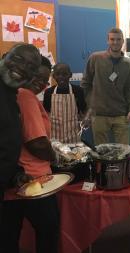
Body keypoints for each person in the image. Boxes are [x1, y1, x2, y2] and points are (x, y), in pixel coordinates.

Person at [1, 56, 59, 253]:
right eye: (37, 77)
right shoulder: (25, 96)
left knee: (10, 235)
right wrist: (56, 156)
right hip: (34, 178)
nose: (41, 84)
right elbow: (37, 142)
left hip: (13, 177)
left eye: (45, 80)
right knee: (48, 230)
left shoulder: (13, 94)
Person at [0, 43, 41, 218]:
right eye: (18, 59)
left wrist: (15, 174)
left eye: (31, 67)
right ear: (4, 57)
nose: (22, 68)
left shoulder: (10, 96)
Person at [81, 27, 130, 145]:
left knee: (123, 152)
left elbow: (129, 90)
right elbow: (85, 84)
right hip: (99, 115)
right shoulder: (95, 58)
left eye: (118, 39)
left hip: (121, 115)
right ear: (107, 41)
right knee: (101, 153)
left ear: (123, 41)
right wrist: (91, 106)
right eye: (112, 39)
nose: (115, 42)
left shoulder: (129, 65)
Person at [43, 63, 87, 143]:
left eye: (65, 74)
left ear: (70, 75)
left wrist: (84, 120)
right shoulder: (48, 92)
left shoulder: (78, 91)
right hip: (54, 137)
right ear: (53, 76)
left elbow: (84, 110)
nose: (61, 77)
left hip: (73, 136)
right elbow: (45, 113)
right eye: (58, 74)